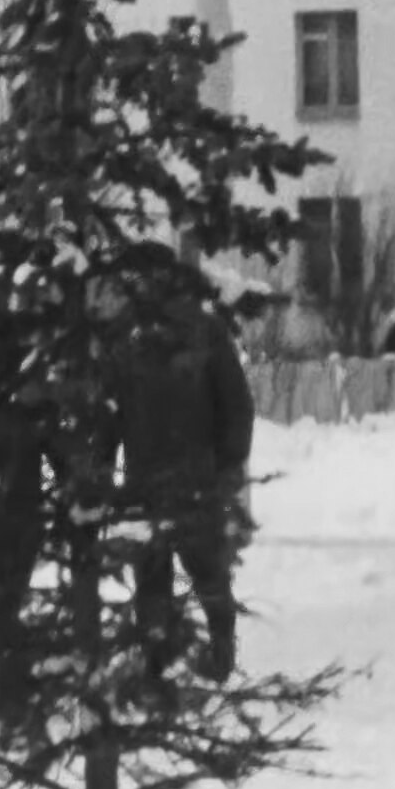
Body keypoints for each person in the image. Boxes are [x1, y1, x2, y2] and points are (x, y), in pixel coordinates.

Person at [112, 244, 257, 682]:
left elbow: (236, 406)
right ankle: (169, 661)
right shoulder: (129, 334)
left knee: (192, 572)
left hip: (181, 479)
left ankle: (204, 654)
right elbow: (110, 411)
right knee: (171, 575)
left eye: (137, 277)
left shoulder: (197, 330)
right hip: (162, 480)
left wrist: (227, 466)